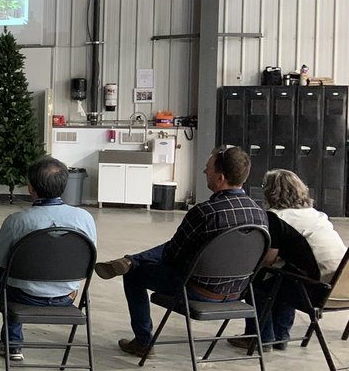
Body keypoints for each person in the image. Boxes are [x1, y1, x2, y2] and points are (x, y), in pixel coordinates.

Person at [95, 145, 268, 357]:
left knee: (134, 275)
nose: (205, 172)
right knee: (172, 249)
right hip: (238, 291)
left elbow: (171, 257)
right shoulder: (260, 214)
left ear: (221, 177)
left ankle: (143, 342)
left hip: (199, 290)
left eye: (208, 169)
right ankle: (132, 260)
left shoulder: (205, 212)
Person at [0, 156, 96, 361]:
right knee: (15, 273)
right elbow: (89, 259)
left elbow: (2, 260)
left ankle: (11, 343)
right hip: (67, 295)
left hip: (24, 295)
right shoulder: (84, 218)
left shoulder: (18, 221)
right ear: (64, 185)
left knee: (9, 275)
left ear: (31, 188)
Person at [232, 169, 348, 351]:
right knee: (286, 275)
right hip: (341, 288)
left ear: (271, 192)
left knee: (257, 281)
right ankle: (280, 336)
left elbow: (268, 260)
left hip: (315, 291)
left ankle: (261, 338)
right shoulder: (316, 214)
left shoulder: (277, 217)